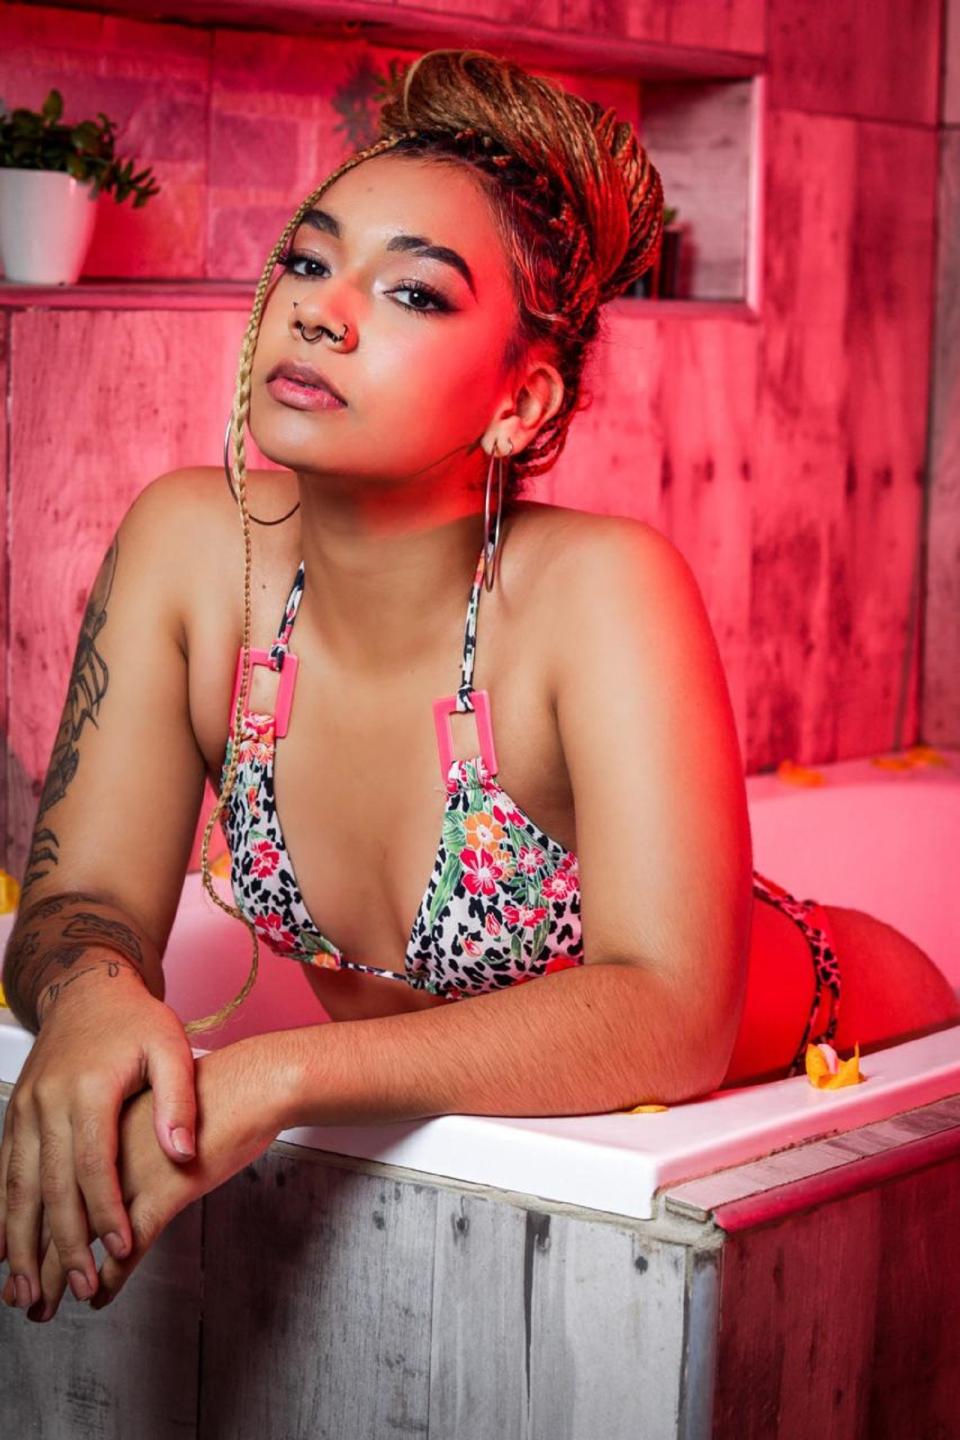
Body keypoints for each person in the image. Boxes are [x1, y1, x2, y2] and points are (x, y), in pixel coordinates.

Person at [1, 47, 957, 1328]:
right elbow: (83, 902)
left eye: (411, 291)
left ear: (521, 402)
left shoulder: (601, 588)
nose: (322, 312)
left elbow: (674, 1017)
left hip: (869, 1050)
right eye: (307, 262)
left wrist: (281, 1076)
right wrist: (90, 998)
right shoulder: (191, 551)